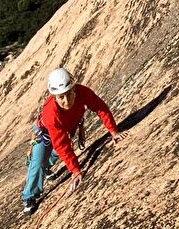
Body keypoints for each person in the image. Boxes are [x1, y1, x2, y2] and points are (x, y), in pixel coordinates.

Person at [22, 66, 120, 214]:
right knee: (38, 161)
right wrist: (75, 171)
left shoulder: (83, 92)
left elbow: (100, 107)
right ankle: (29, 196)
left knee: (56, 153)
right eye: (61, 97)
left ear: (74, 89)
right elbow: (61, 145)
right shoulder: (51, 113)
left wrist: (113, 132)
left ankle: (48, 168)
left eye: (68, 94)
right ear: (54, 97)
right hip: (44, 133)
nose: (66, 100)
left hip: (68, 126)